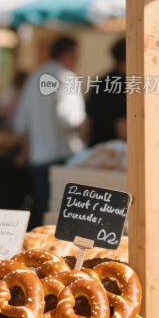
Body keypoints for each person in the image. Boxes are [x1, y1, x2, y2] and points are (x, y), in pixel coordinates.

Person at [14, 36, 85, 227]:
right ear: (67, 54)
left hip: (38, 156)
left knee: (41, 212)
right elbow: (71, 119)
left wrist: (24, 151)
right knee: (61, 216)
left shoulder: (35, 76)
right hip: (63, 155)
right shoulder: (66, 77)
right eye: (76, 55)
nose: (78, 59)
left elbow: (21, 122)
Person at [85, 37, 127, 147]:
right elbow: (123, 128)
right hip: (118, 152)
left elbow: (87, 126)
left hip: (96, 149)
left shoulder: (100, 82)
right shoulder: (128, 84)